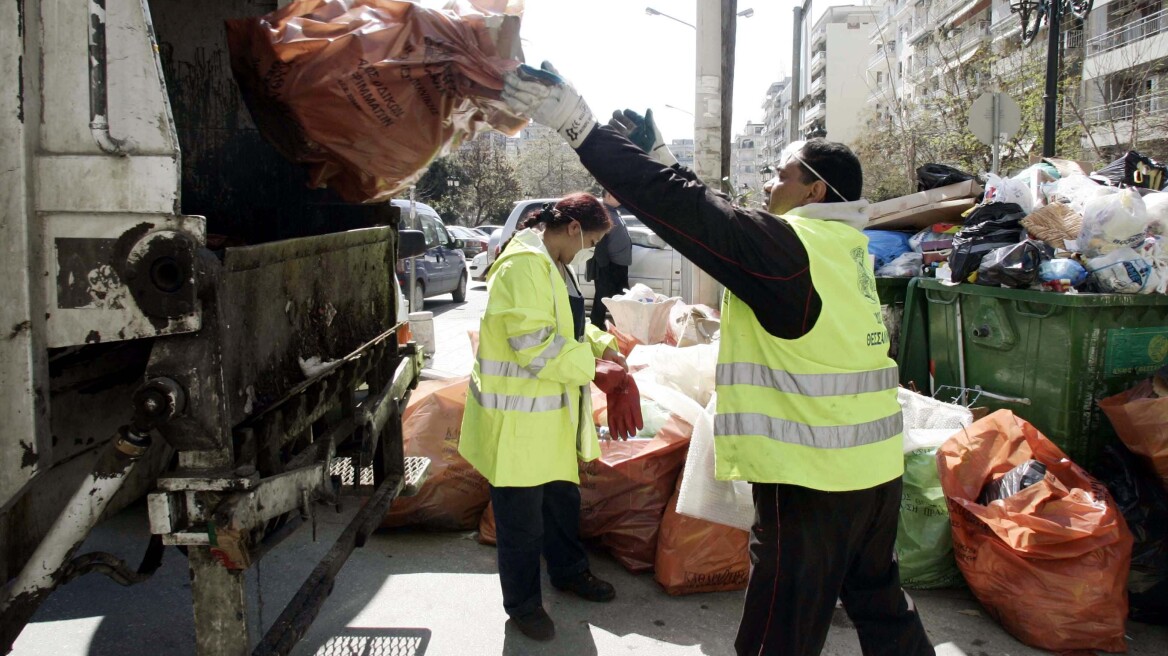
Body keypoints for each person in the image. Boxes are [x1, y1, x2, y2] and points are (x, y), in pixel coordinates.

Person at [501, 62, 938, 656]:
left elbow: (688, 210)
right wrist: (660, 156)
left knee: (775, 638)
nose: (767, 183)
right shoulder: (843, 247)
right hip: (874, 474)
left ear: (814, 191)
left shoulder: (791, 250)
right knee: (881, 607)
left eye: (779, 175)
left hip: (813, 481)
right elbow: (720, 211)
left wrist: (578, 125)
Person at [458, 192, 644, 643]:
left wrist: (603, 345)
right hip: (518, 425)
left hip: (551, 420)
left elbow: (570, 326)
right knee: (521, 524)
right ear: (574, 229)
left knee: (561, 504)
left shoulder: (554, 264)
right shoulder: (523, 266)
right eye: (593, 240)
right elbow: (534, 345)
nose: (590, 251)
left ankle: (568, 572)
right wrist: (593, 368)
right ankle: (522, 606)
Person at [587, 190, 632, 329]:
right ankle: (595, 327)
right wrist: (605, 267)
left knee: (622, 297)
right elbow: (599, 243)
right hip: (608, 266)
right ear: (608, 196)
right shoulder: (602, 213)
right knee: (603, 299)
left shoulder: (614, 211)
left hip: (618, 266)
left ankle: (625, 328)